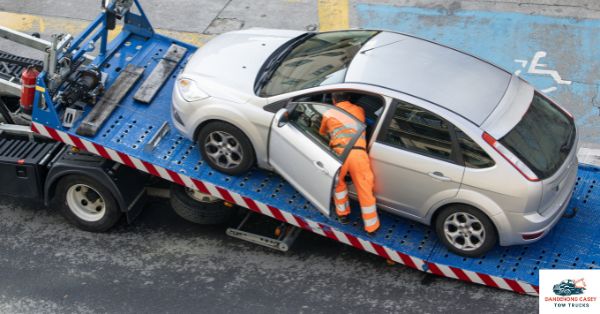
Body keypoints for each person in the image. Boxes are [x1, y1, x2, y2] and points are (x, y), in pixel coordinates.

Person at [319, 92, 380, 235]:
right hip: (358, 153)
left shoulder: (328, 113)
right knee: (365, 189)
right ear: (349, 98)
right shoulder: (359, 110)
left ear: (333, 100)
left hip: (339, 154)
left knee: (339, 185)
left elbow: (322, 132)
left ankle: (343, 215)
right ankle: (371, 227)